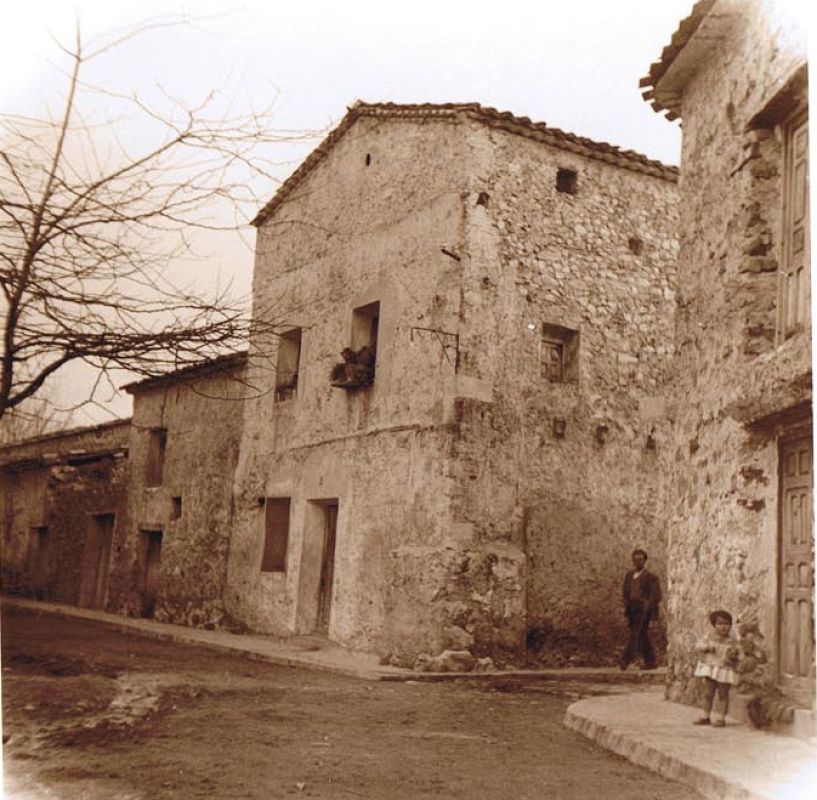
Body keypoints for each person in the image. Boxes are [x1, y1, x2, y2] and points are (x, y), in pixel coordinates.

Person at [693, 610, 739, 727]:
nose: (724, 627)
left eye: (727, 624)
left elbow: (739, 654)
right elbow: (698, 646)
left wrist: (734, 655)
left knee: (723, 694)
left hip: (724, 669)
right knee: (708, 693)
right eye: (720, 624)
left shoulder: (733, 641)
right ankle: (705, 716)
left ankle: (720, 717)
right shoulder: (709, 637)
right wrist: (707, 647)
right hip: (711, 668)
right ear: (714, 625)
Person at [619, 548, 662, 670]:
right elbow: (625, 592)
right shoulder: (629, 575)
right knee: (641, 635)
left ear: (645, 561)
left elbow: (656, 596)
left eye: (640, 559)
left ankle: (625, 659)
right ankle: (651, 662)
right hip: (631, 610)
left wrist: (648, 608)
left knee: (637, 634)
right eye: (635, 559)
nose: (637, 562)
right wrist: (626, 606)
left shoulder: (651, 577)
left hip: (643, 610)